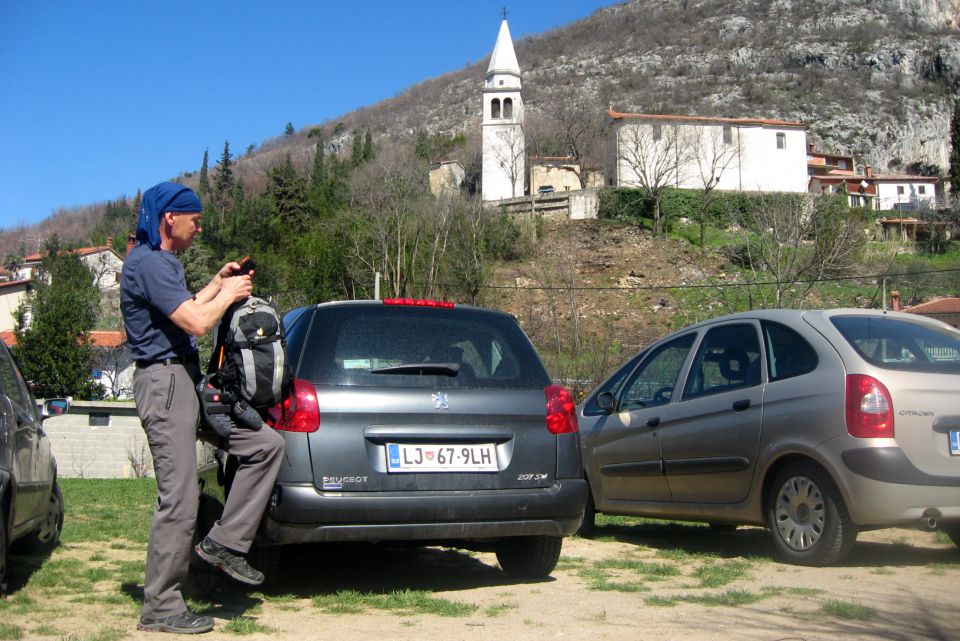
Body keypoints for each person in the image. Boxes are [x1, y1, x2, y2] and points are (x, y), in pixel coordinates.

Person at [121, 182, 286, 634]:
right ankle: (160, 606)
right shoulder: (150, 262)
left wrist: (217, 282)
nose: (199, 227)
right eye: (195, 220)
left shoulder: (162, 263)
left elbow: (189, 305)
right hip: (165, 381)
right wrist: (230, 296)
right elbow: (195, 322)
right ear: (169, 218)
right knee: (180, 496)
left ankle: (225, 544)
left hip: (186, 380)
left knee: (265, 444)